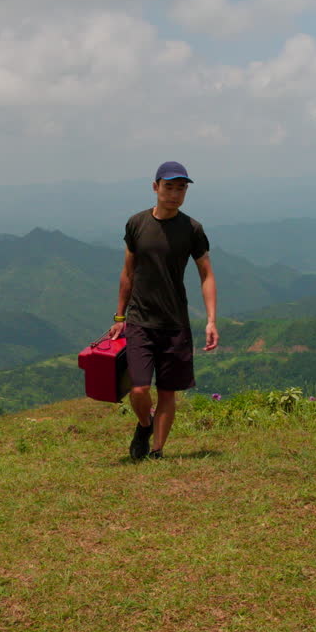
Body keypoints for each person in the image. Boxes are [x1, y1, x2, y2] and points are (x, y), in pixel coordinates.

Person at [108, 160, 218, 461]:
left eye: (181, 188)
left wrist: (210, 320)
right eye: (169, 187)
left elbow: (206, 274)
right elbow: (127, 273)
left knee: (168, 392)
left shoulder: (192, 229)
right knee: (140, 389)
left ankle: (157, 451)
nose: (175, 194)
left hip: (175, 323)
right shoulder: (136, 224)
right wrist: (120, 317)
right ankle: (144, 426)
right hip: (140, 321)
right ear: (155, 187)